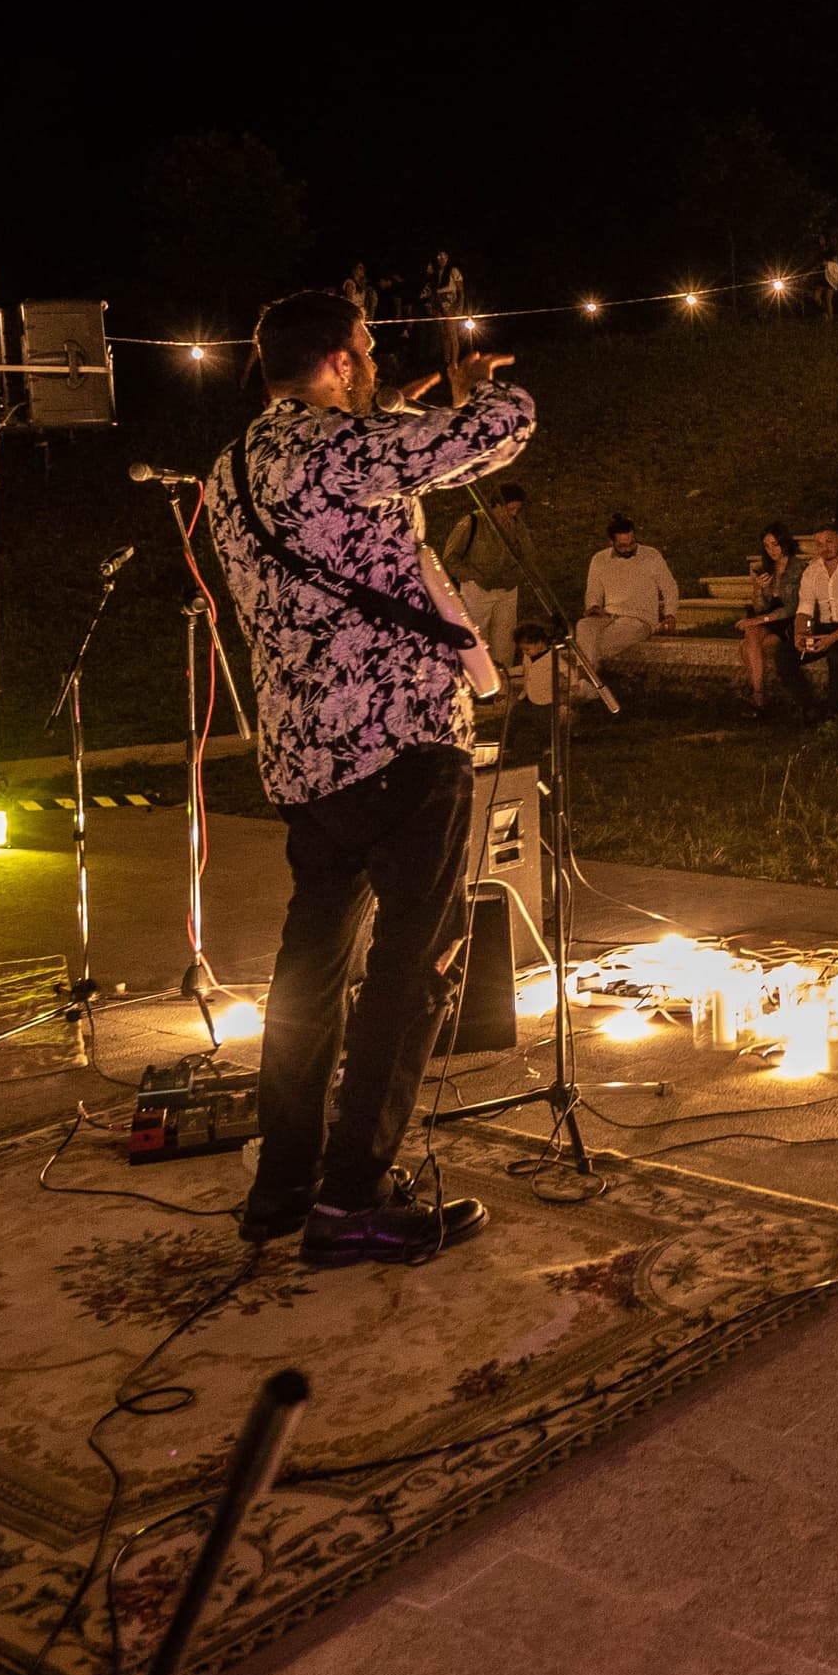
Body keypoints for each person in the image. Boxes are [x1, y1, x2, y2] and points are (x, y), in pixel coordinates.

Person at [206, 289, 532, 1266]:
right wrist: (478, 395)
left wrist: (400, 418)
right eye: (369, 349)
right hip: (401, 742)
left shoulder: (230, 471)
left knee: (310, 961)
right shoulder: (344, 452)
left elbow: (359, 478)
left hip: (307, 760)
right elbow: (500, 433)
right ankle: (353, 1197)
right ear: (341, 362)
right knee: (412, 963)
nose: (379, 359)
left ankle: (285, 1181)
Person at [573, 512, 677, 712]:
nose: (628, 549)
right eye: (622, 546)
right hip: (609, 614)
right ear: (611, 541)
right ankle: (590, 687)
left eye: (631, 543)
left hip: (639, 618)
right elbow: (593, 591)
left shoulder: (651, 555)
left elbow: (669, 587)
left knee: (597, 645)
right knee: (583, 626)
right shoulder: (599, 559)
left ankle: (585, 686)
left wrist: (670, 614)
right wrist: (593, 607)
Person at [773, 521, 838, 720]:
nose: (824, 548)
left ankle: (834, 712)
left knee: (837, 655)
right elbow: (804, 609)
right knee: (784, 653)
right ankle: (809, 707)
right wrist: (800, 633)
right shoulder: (812, 570)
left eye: (829, 542)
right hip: (823, 626)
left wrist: (831, 639)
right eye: (819, 544)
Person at [436, 481, 529, 673]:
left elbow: (529, 554)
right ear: (496, 506)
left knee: (505, 639)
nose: (513, 513)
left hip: (508, 590)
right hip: (478, 590)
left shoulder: (517, 525)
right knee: (477, 635)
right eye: (510, 508)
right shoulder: (472, 523)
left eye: (517, 509)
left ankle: (503, 681)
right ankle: (477, 678)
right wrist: (473, 576)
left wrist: (518, 573)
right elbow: (450, 558)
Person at [729, 524, 799, 718]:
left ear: (785, 542)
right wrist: (758, 589)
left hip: (789, 621)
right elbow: (760, 607)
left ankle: (758, 702)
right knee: (751, 636)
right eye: (767, 546)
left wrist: (758, 620)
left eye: (775, 544)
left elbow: (792, 607)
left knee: (749, 647)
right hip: (768, 620)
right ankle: (759, 697)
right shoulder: (766, 569)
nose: (771, 550)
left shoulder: (799, 568)